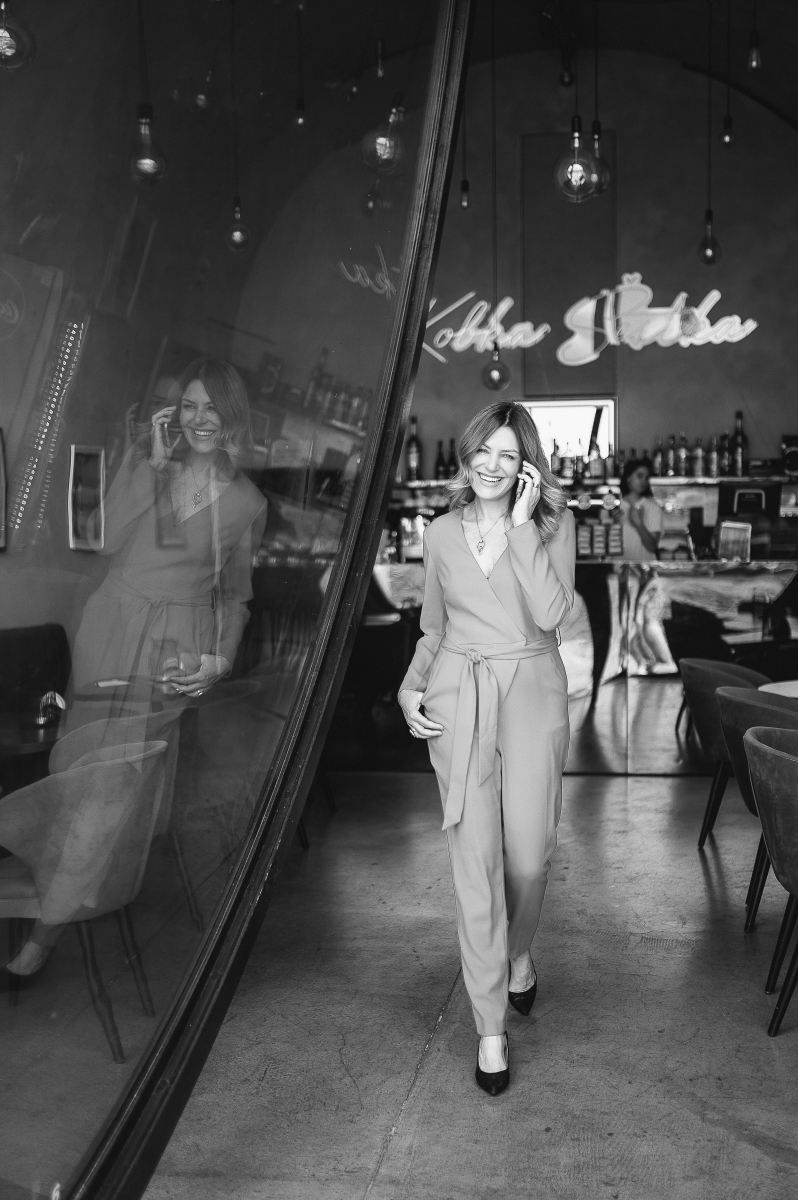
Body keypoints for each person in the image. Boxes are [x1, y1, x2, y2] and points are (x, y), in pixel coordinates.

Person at [4, 357, 267, 977]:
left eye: (213, 408)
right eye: (190, 406)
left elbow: (236, 598)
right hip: (108, 627)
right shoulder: (151, 466)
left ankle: (43, 934)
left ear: (232, 416)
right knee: (77, 766)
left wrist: (221, 659)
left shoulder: (248, 503)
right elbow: (101, 538)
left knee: (112, 783)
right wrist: (147, 461)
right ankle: (68, 888)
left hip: (175, 648)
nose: (200, 419)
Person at [398, 400, 574, 1096]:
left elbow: (554, 615)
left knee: (528, 858)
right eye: (483, 451)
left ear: (526, 465)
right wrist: (411, 686)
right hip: (459, 695)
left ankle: (519, 951)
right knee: (474, 863)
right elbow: (434, 627)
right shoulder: (441, 532)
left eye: (509, 455)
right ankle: (490, 1028)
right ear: (467, 455)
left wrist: (524, 528)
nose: (492, 466)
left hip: (531, 691)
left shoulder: (553, 524)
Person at [618, 458, 662, 562]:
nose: (644, 481)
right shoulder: (613, 506)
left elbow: (652, 547)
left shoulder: (653, 507)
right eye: (639, 476)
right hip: (617, 567)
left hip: (644, 569)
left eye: (646, 478)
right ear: (628, 478)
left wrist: (639, 524)